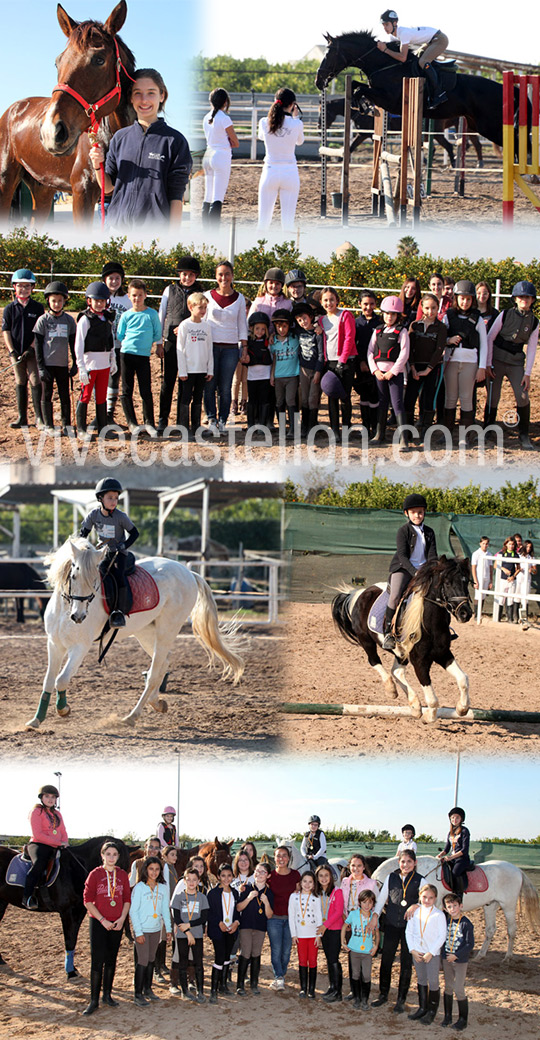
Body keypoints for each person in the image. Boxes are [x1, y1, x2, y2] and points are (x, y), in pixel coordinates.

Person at [89, 69, 192, 229]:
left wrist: (173, 238)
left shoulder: (175, 141)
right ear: (131, 97)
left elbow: (176, 196)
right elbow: (108, 187)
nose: (144, 100)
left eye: (151, 93)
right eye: (138, 93)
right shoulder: (119, 138)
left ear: (162, 95)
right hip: (117, 230)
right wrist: (97, 164)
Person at [79, 476, 139, 628]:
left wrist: (123, 545)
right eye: (110, 498)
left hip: (119, 554)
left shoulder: (121, 517)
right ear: (100, 498)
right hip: (102, 553)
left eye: (116, 498)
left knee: (119, 577)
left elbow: (135, 534)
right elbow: (83, 534)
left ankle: (118, 613)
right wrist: (82, 547)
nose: (113, 501)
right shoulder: (93, 515)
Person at [371, 850, 425, 1012]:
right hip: (392, 924)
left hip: (410, 928)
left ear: (415, 863)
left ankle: (401, 998)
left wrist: (417, 905)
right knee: (386, 960)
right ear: (398, 863)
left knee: (406, 963)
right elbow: (381, 899)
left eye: (409, 862)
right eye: (403, 862)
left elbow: (429, 901)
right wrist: (375, 915)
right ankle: (383, 994)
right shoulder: (391, 878)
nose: (405, 865)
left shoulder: (420, 880)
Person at [486, 281, 538, 450]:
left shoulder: (535, 322)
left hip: (516, 362)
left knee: (522, 396)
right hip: (497, 360)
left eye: (528, 297)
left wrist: (528, 373)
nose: (524, 300)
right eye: (521, 297)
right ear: (515, 299)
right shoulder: (505, 314)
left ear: (532, 300)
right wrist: (488, 364)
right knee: (494, 395)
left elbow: (531, 348)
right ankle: (488, 431)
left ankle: (523, 434)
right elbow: (490, 338)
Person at [382, 492, 438, 650]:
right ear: (407, 513)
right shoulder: (403, 531)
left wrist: (431, 569)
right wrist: (415, 571)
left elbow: (432, 555)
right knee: (395, 595)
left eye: (420, 512)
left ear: (424, 512)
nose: (417, 515)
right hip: (404, 568)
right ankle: (388, 632)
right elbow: (402, 555)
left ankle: (441, 627)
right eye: (413, 512)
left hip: (424, 570)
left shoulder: (430, 532)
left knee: (437, 594)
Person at [82, 841, 131, 1015]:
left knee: (111, 959)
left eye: (114, 854)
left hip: (117, 922)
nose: (111, 858)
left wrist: (122, 919)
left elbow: (126, 899)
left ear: (118, 857)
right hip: (99, 922)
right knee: (97, 961)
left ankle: (107, 995)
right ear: (102, 856)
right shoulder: (95, 874)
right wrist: (102, 920)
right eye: (108, 854)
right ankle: (94, 1000)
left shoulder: (123, 875)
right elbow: (87, 900)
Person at [158, 256, 203, 434]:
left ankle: (181, 421)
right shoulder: (169, 290)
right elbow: (162, 314)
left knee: (184, 382)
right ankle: (163, 419)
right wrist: (159, 342)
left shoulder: (200, 293)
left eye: (191, 275)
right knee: (167, 382)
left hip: (191, 345)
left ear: (196, 276)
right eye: (184, 274)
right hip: (171, 343)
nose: (187, 278)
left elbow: (202, 318)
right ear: (180, 275)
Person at [204, 261, 248, 433]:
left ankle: (222, 420)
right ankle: (211, 419)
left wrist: (244, 346)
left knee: (225, 386)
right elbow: (199, 317)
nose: (224, 277)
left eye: (227, 274)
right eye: (220, 274)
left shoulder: (239, 298)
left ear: (232, 276)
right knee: (209, 385)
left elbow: (242, 324)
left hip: (230, 348)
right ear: (216, 276)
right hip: (210, 347)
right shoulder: (207, 295)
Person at [116, 279, 163, 435]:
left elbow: (157, 333)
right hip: (127, 355)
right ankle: (132, 423)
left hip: (143, 357)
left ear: (145, 295)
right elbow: (120, 334)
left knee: (145, 390)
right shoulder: (126, 315)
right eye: (134, 295)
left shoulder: (151, 314)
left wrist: (157, 346)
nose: (137, 298)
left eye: (140, 295)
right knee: (127, 390)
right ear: (129, 296)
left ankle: (149, 422)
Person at [443, 279, 487, 440]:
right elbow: (442, 338)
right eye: (462, 298)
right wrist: (449, 340)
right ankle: (447, 434)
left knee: (467, 397)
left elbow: (484, 344)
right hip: (451, 360)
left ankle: (464, 436)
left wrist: (482, 367)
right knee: (450, 397)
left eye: (468, 299)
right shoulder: (448, 316)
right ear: (456, 298)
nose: (465, 302)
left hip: (470, 362)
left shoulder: (478, 319)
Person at [378, 12, 449, 108]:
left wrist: (385, 50)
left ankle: (439, 93)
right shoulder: (393, 36)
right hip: (431, 41)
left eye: (387, 24)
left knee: (423, 62)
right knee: (415, 58)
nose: (385, 28)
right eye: (383, 25)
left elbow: (403, 58)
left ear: (394, 23)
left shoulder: (403, 34)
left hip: (440, 40)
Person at [33, 281, 77, 435]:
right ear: (48, 301)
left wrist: (75, 363)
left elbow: (73, 344)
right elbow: (38, 345)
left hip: (62, 364)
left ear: (64, 301)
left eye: (60, 301)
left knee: (65, 394)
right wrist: (40, 367)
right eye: (54, 301)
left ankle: (66, 424)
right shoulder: (42, 321)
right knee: (47, 394)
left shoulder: (69, 321)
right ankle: (49, 425)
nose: (57, 304)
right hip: (47, 364)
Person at [3, 269, 44, 429]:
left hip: (32, 352)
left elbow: (39, 331)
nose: (24, 289)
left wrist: (31, 348)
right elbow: (6, 331)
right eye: (20, 286)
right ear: (14, 287)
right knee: (20, 381)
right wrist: (12, 350)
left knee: (35, 381)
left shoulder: (37, 308)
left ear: (32, 288)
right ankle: (22, 417)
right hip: (16, 352)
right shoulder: (9, 309)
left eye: (27, 286)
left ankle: (39, 417)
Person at [74, 281, 116, 438]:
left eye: (102, 301)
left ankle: (103, 428)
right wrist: (81, 367)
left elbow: (110, 340)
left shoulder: (107, 319)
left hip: (104, 364)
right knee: (85, 396)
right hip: (90, 365)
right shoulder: (85, 320)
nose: (99, 304)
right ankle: (81, 429)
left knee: (101, 396)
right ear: (89, 301)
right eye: (96, 301)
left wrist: (113, 359)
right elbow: (79, 344)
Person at [258, 88, 304, 230]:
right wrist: (295, 118)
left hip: (270, 171)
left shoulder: (264, 122)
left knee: (263, 221)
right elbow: (299, 141)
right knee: (288, 223)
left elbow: (261, 137)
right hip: (290, 173)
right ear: (292, 105)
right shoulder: (297, 124)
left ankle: (257, 251)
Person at [404, 292, 446, 444]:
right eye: (427, 308)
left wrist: (428, 369)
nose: (430, 312)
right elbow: (410, 348)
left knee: (429, 400)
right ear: (422, 307)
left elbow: (439, 350)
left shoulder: (441, 327)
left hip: (433, 368)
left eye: (434, 308)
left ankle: (425, 433)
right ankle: (408, 433)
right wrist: (413, 368)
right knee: (409, 399)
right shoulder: (414, 325)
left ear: (438, 308)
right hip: (415, 368)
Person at [368, 295, 410, 447]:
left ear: (398, 315)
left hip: (394, 374)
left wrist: (393, 371)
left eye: (393, 314)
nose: (389, 317)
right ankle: (380, 434)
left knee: (397, 404)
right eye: (386, 313)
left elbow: (404, 353)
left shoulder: (402, 331)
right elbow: (370, 351)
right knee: (382, 403)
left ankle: (403, 438)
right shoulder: (378, 330)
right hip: (379, 373)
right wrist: (375, 370)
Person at [130, 856, 172, 1006]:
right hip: (142, 930)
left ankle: (148, 989)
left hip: (155, 930)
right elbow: (133, 912)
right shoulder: (139, 888)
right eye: (151, 869)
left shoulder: (163, 888)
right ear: (145, 870)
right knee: (142, 961)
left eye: (157, 869)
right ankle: (138, 993)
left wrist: (168, 928)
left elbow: (165, 910)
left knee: (151, 959)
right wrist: (138, 932)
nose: (154, 872)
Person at [405, 883, 447, 1023]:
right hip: (417, 952)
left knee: (433, 981)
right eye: (424, 897)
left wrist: (431, 952)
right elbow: (409, 932)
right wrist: (412, 950)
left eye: (430, 897)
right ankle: (422, 1008)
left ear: (435, 898)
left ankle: (432, 1011)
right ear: (420, 896)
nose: (427, 900)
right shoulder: (415, 912)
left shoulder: (439, 915)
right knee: (421, 979)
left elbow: (442, 936)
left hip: (431, 954)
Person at [320, 286, 357, 442]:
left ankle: (347, 427)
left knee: (345, 396)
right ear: (322, 302)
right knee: (331, 396)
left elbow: (350, 337)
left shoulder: (345, 315)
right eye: (326, 300)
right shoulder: (322, 320)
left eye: (332, 300)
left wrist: (343, 359)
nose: (329, 303)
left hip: (346, 361)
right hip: (330, 362)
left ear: (337, 300)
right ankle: (335, 429)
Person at [23, 784, 68, 910]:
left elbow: (63, 831)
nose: (50, 799)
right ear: (41, 798)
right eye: (47, 796)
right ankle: (27, 897)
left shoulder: (58, 814)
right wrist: (59, 842)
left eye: (53, 797)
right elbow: (38, 834)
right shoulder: (36, 812)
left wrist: (65, 842)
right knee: (39, 863)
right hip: (38, 844)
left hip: (56, 846)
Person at [176, 293, 214, 437]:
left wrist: (210, 368)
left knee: (198, 398)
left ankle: (196, 426)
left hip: (202, 369)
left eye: (205, 307)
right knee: (186, 398)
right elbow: (180, 349)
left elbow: (209, 349)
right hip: (189, 369)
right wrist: (182, 370)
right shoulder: (185, 325)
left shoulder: (206, 326)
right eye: (200, 307)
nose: (203, 311)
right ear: (191, 307)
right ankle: (184, 428)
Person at [171, 867, 209, 1002]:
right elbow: (177, 918)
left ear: (198, 881)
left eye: (194, 880)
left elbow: (203, 918)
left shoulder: (202, 897)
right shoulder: (178, 897)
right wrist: (187, 932)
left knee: (198, 963)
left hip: (197, 935)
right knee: (183, 962)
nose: (191, 882)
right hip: (182, 936)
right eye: (188, 880)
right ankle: (185, 991)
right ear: (184, 881)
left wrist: (190, 925)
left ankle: (200, 991)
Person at [236, 861, 274, 995]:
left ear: (268, 875)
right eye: (257, 871)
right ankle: (240, 984)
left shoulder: (269, 892)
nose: (259, 874)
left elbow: (269, 915)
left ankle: (254, 984)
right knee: (245, 952)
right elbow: (239, 907)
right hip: (246, 926)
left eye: (263, 872)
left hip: (260, 927)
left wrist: (266, 902)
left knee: (256, 953)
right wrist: (248, 898)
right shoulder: (246, 888)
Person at [101, 261, 132, 424]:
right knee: (100, 379)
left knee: (114, 378)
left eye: (117, 278)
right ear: (105, 279)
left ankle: (109, 414)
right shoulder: (99, 297)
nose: (114, 281)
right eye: (111, 278)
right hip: (101, 346)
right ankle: (100, 413)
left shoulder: (127, 300)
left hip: (119, 345)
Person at [202, 87, 239, 225]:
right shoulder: (225, 119)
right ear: (225, 101)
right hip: (221, 156)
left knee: (208, 196)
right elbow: (235, 142)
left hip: (208, 155)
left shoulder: (206, 118)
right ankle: (214, 231)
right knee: (217, 197)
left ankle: (206, 230)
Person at [267, 846, 301, 990]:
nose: (281, 858)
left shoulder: (295, 875)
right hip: (274, 918)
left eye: (284, 855)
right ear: (274, 858)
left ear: (289, 858)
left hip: (291, 919)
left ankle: (282, 973)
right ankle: (279, 976)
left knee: (287, 950)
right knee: (276, 949)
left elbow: (299, 892)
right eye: (278, 856)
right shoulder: (270, 876)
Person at [441, 892, 474, 1031]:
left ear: (460, 906)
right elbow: (441, 940)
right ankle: (448, 1016)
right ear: (445, 908)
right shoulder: (445, 921)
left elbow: (469, 944)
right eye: (449, 906)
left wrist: (457, 955)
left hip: (460, 961)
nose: (453, 909)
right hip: (446, 959)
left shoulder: (466, 923)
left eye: (455, 906)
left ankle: (462, 1019)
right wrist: (444, 955)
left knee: (459, 989)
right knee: (448, 987)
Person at [207, 862, 240, 1002]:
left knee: (227, 958)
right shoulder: (213, 893)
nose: (226, 878)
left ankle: (223, 985)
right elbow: (209, 912)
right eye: (223, 876)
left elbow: (237, 911)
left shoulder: (235, 892)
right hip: (218, 930)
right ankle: (213, 990)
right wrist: (219, 922)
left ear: (232, 876)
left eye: (229, 876)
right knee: (219, 957)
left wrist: (236, 923)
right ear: (219, 877)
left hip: (230, 930)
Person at [341, 888, 379, 1010]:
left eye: (370, 903)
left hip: (367, 952)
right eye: (364, 902)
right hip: (355, 951)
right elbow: (344, 927)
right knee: (355, 975)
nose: (367, 905)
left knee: (367, 976)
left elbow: (377, 933)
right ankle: (357, 998)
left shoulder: (373, 917)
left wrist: (376, 946)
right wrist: (343, 942)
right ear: (359, 903)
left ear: (373, 904)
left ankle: (365, 1000)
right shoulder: (353, 914)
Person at [288, 871, 322, 999]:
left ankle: (311, 989)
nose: (307, 884)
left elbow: (319, 916)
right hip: (300, 935)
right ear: (300, 883)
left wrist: (319, 936)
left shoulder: (316, 897)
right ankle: (303, 988)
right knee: (302, 961)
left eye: (310, 882)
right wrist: (293, 934)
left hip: (313, 934)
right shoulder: (293, 897)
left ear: (314, 884)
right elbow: (291, 916)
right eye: (305, 881)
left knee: (312, 961)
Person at [294, 302, 325, 437]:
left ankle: (312, 426)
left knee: (313, 398)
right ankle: (304, 427)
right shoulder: (299, 331)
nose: (302, 322)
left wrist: (318, 371)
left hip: (315, 369)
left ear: (311, 317)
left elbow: (320, 354)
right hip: (303, 369)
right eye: (299, 320)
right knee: (304, 398)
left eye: (305, 318)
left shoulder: (317, 333)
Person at [315, 863, 344, 1004]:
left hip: (334, 930)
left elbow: (338, 912)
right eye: (321, 876)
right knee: (329, 959)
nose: (324, 878)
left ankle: (338, 991)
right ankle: (332, 987)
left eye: (326, 875)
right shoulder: (318, 892)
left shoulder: (337, 892)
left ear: (331, 877)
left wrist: (325, 926)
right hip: (323, 931)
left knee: (334, 959)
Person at [269, 309, 300, 439]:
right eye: (278, 326)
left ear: (289, 326)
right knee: (279, 401)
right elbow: (274, 359)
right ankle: (283, 427)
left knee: (291, 400)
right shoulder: (274, 342)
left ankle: (293, 428)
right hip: (278, 376)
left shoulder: (294, 339)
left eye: (284, 326)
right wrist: (272, 375)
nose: (281, 329)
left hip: (292, 375)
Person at [240, 312, 273, 432]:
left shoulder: (268, 342)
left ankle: (262, 424)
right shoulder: (247, 343)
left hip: (265, 376)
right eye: (257, 329)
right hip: (252, 376)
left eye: (263, 329)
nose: (260, 331)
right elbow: (243, 359)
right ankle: (251, 424)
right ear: (251, 328)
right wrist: (244, 359)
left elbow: (272, 357)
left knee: (264, 400)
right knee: (252, 400)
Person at [355, 290, 381, 436]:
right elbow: (354, 344)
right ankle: (365, 427)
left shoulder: (380, 323)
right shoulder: (356, 323)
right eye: (365, 304)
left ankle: (375, 427)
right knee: (364, 396)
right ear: (359, 304)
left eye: (372, 304)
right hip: (361, 365)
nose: (368, 307)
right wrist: (361, 362)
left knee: (375, 396)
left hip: (377, 365)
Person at [437, 807, 474, 898]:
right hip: (452, 858)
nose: (454, 819)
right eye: (452, 817)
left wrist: (451, 857)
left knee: (455, 872)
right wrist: (439, 855)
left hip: (462, 859)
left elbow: (464, 850)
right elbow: (446, 849)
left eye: (457, 817)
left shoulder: (465, 831)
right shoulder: (450, 833)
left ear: (461, 819)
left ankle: (458, 895)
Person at [157, 844, 179, 984]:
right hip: (166, 907)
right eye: (172, 855)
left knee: (166, 937)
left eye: (176, 855)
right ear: (165, 856)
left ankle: (162, 964)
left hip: (170, 906)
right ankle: (157, 967)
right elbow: (166, 887)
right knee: (162, 938)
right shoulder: (165, 867)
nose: (175, 857)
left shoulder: (172, 868)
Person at [496, 536, 522, 623]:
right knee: (501, 598)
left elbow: (518, 568)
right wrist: (503, 569)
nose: (511, 546)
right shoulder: (501, 553)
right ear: (506, 544)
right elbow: (496, 565)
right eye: (509, 544)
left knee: (510, 598)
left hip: (512, 580)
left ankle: (510, 618)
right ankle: (498, 617)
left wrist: (513, 576)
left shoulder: (516, 555)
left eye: (513, 544)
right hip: (503, 579)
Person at [471, 536, 493, 613]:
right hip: (479, 578)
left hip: (486, 577)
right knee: (477, 595)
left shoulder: (489, 554)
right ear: (480, 543)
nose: (485, 545)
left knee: (483, 596)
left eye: (486, 544)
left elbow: (490, 568)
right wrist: (475, 580)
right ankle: (476, 614)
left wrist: (491, 580)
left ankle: (480, 612)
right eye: (483, 543)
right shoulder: (476, 554)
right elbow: (473, 568)